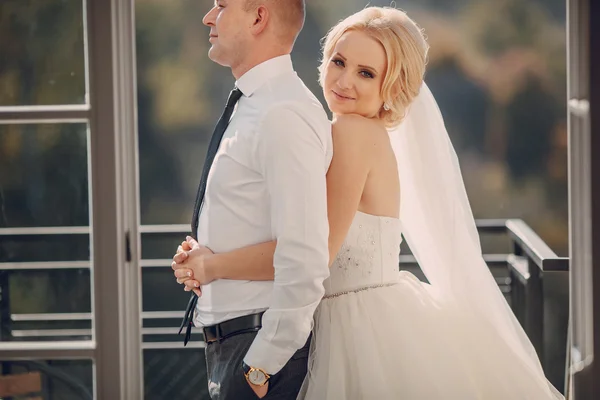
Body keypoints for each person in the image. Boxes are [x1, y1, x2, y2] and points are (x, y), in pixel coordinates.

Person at [174, 6, 565, 400]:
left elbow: (316, 252)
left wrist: (214, 265)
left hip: (355, 327)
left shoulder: (352, 135)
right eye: (339, 62)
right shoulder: (354, 132)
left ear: (391, 88)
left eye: (366, 73)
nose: (344, 81)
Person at [174, 0, 333, 399]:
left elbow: (305, 254)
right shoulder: (254, 106)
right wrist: (201, 259)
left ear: (259, 17)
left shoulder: (282, 113)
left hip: (258, 348)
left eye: (221, 5)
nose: (208, 17)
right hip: (232, 344)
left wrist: (262, 362)